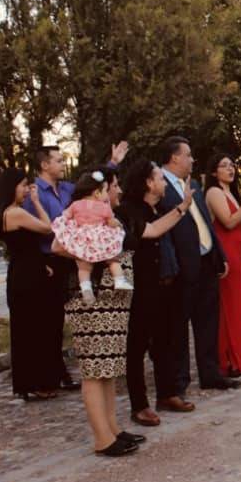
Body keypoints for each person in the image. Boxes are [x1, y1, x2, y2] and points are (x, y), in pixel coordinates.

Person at [56, 167, 144, 457]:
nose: (117, 191)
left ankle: (112, 428)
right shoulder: (77, 216)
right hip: (92, 302)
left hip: (112, 303)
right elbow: (57, 244)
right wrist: (90, 252)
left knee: (109, 368)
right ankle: (101, 438)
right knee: (95, 369)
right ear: (99, 191)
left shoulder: (106, 215)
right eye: (113, 187)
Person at [25, 142, 129, 391]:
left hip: (78, 259)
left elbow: (91, 188)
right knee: (50, 322)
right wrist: (42, 263)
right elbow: (31, 233)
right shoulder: (34, 194)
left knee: (64, 321)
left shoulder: (68, 189)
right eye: (59, 160)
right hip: (52, 260)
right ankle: (49, 376)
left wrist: (112, 163)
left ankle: (60, 373)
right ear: (44, 164)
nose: (63, 164)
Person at [117, 159, 198, 427]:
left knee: (166, 343)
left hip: (167, 284)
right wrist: (183, 207)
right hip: (142, 289)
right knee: (137, 347)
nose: (164, 182)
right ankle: (139, 405)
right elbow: (150, 233)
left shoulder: (159, 207)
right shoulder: (130, 211)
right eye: (159, 178)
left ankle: (167, 394)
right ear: (149, 183)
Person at [158, 136, 240, 393]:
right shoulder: (161, 186)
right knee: (179, 325)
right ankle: (179, 381)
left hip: (205, 261)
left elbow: (205, 221)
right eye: (189, 154)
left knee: (208, 321)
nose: (193, 159)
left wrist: (219, 254)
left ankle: (211, 373)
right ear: (175, 158)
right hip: (182, 265)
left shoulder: (193, 183)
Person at [0, 168, 59, 401]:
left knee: (27, 329)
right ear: (12, 187)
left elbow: (23, 247)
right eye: (23, 185)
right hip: (27, 277)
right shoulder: (15, 213)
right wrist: (36, 202)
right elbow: (47, 227)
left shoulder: (7, 212)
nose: (27, 189)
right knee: (35, 329)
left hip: (24, 271)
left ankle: (32, 382)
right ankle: (37, 383)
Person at [205, 154, 241, 378]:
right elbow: (228, 221)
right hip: (225, 254)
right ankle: (228, 359)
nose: (230, 169)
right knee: (229, 305)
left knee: (238, 303)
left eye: (232, 165)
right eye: (224, 166)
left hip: (238, 252)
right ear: (214, 172)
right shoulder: (214, 192)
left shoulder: (230, 192)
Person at [50, 171, 132, 304]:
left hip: (83, 240)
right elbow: (111, 222)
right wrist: (117, 224)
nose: (106, 194)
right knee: (112, 258)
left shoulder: (76, 205)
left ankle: (86, 290)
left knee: (83, 268)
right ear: (96, 193)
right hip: (99, 239)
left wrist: (66, 225)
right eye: (105, 190)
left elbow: (65, 216)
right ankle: (119, 280)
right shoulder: (104, 207)